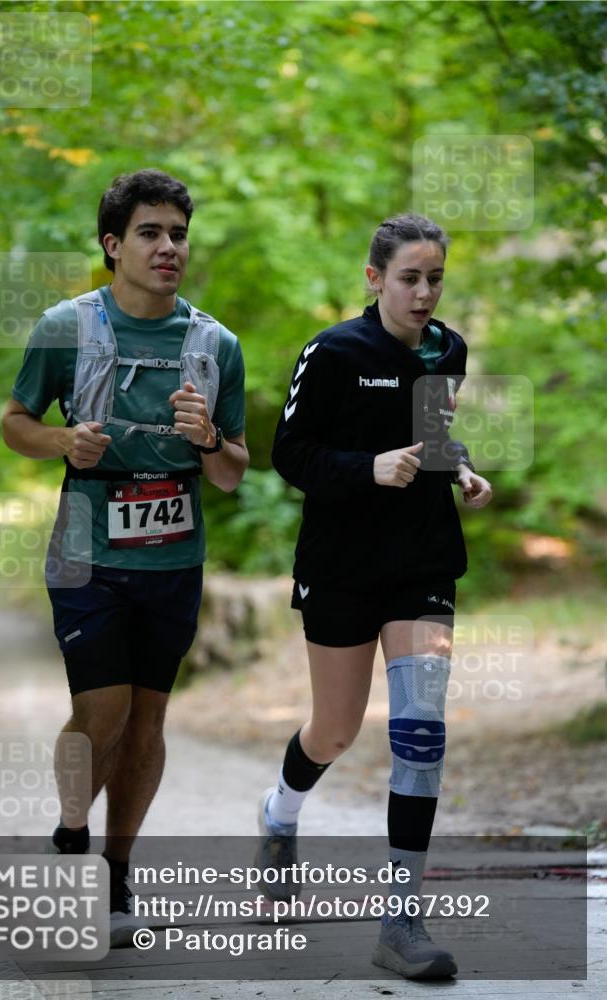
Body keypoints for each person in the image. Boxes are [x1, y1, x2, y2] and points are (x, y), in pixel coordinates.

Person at [2, 169, 248, 947]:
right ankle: (72, 831)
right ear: (113, 245)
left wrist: (208, 437)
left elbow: (233, 471)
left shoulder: (215, 345)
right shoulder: (65, 327)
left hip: (174, 556)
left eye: (177, 233)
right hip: (85, 548)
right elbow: (15, 422)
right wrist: (60, 441)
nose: (168, 246)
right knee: (103, 708)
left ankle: (114, 870)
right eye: (150, 232)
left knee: (147, 721)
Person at [256, 213, 492, 980]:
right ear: (373, 278)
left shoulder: (445, 349)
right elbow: (289, 453)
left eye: (435, 280)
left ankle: (401, 922)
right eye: (409, 278)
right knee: (333, 731)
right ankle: (278, 817)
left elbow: (431, 433)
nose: (423, 294)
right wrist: (366, 469)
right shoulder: (332, 352)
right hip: (342, 565)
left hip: (423, 561)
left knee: (420, 732)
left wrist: (455, 468)